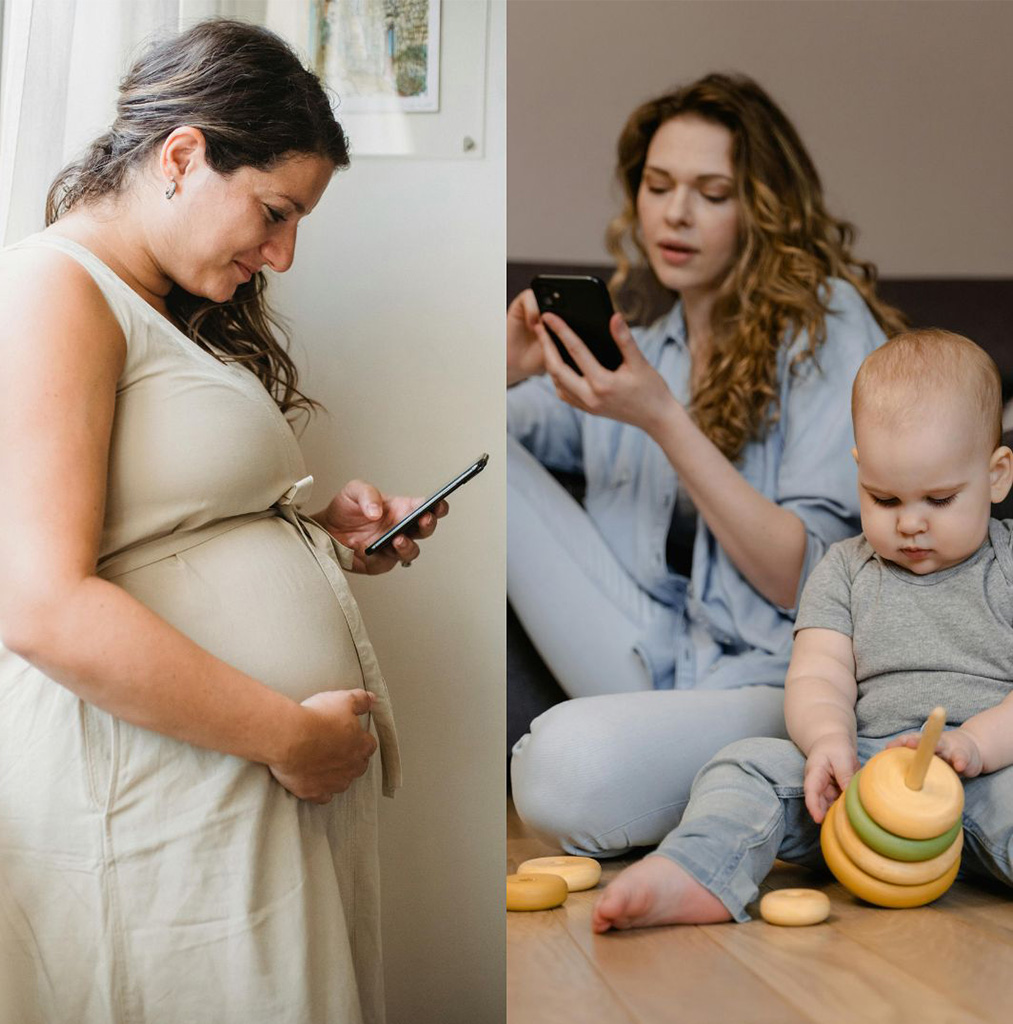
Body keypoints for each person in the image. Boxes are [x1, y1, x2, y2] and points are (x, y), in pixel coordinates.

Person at [0, 19, 445, 1024]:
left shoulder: (154, 307)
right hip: (152, 785)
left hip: (219, 785)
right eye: (275, 212)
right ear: (183, 155)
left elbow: (156, 530)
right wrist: (287, 734)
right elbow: (39, 602)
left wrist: (320, 533)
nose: (282, 254)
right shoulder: (53, 289)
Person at [508, 73, 907, 856]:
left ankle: (777, 773)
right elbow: (491, 440)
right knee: (483, 455)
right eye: (657, 187)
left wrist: (661, 417)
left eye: (711, 192)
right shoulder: (643, 352)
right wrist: (507, 363)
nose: (675, 214)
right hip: (645, 652)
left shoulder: (822, 328)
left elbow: (807, 581)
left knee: (561, 766)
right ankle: (746, 789)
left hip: (779, 680)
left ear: (761, 210)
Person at [591, 328, 1013, 930]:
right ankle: (697, 871)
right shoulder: (843, 569)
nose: (911, 524)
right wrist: (826, 744)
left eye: (940, 499)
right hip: (861, 786)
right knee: (743, 767)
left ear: (997, 475)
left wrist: (975, 746)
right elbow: (818, 676)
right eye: (884, 498)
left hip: (994, 775)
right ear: (859, 472)